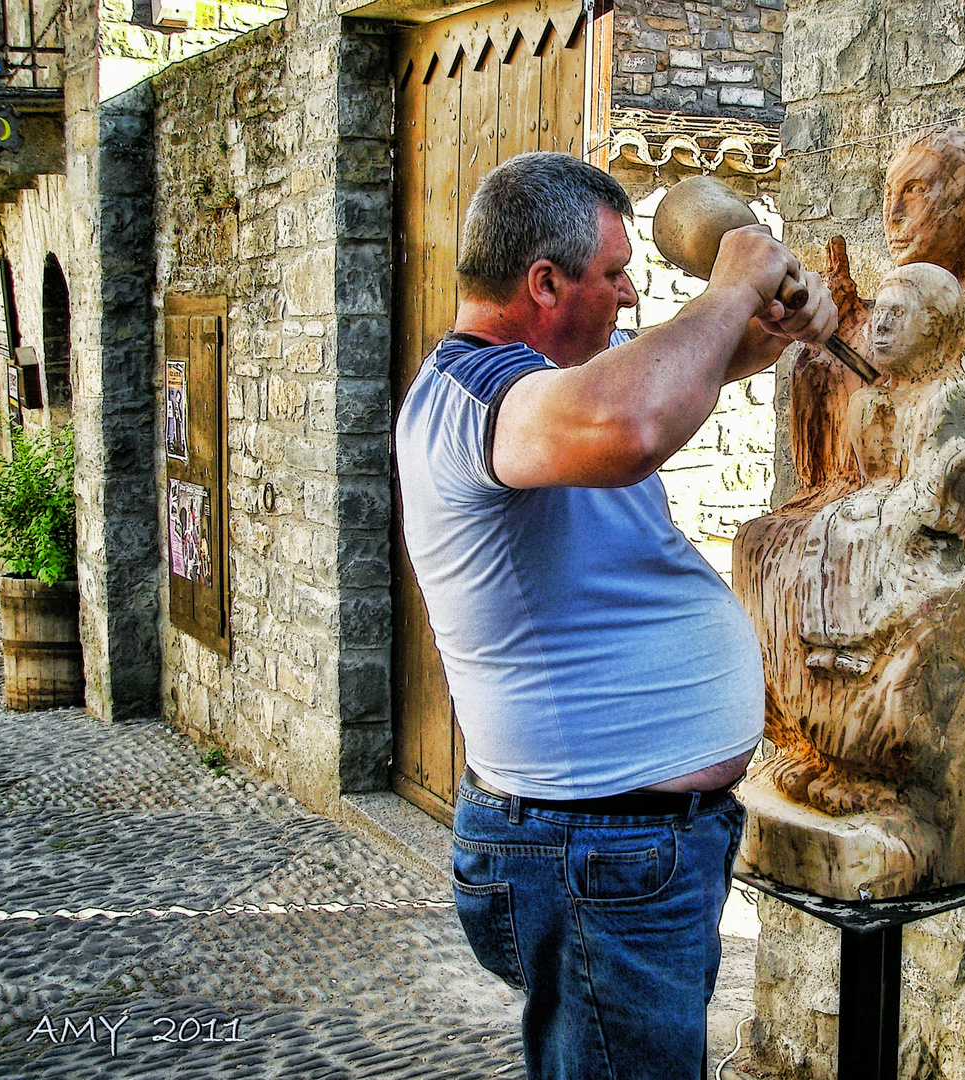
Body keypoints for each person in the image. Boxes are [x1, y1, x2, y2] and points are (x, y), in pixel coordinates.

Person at [393, 151, 837, 1080]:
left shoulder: (544, 393)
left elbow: (667, 386)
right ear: (544, 283)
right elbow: (631, 423)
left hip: (626, 846)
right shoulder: (479, 395)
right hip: (592, 850)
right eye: (614, 274)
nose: (632, 296)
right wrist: (731, 283)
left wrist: (761, 330)